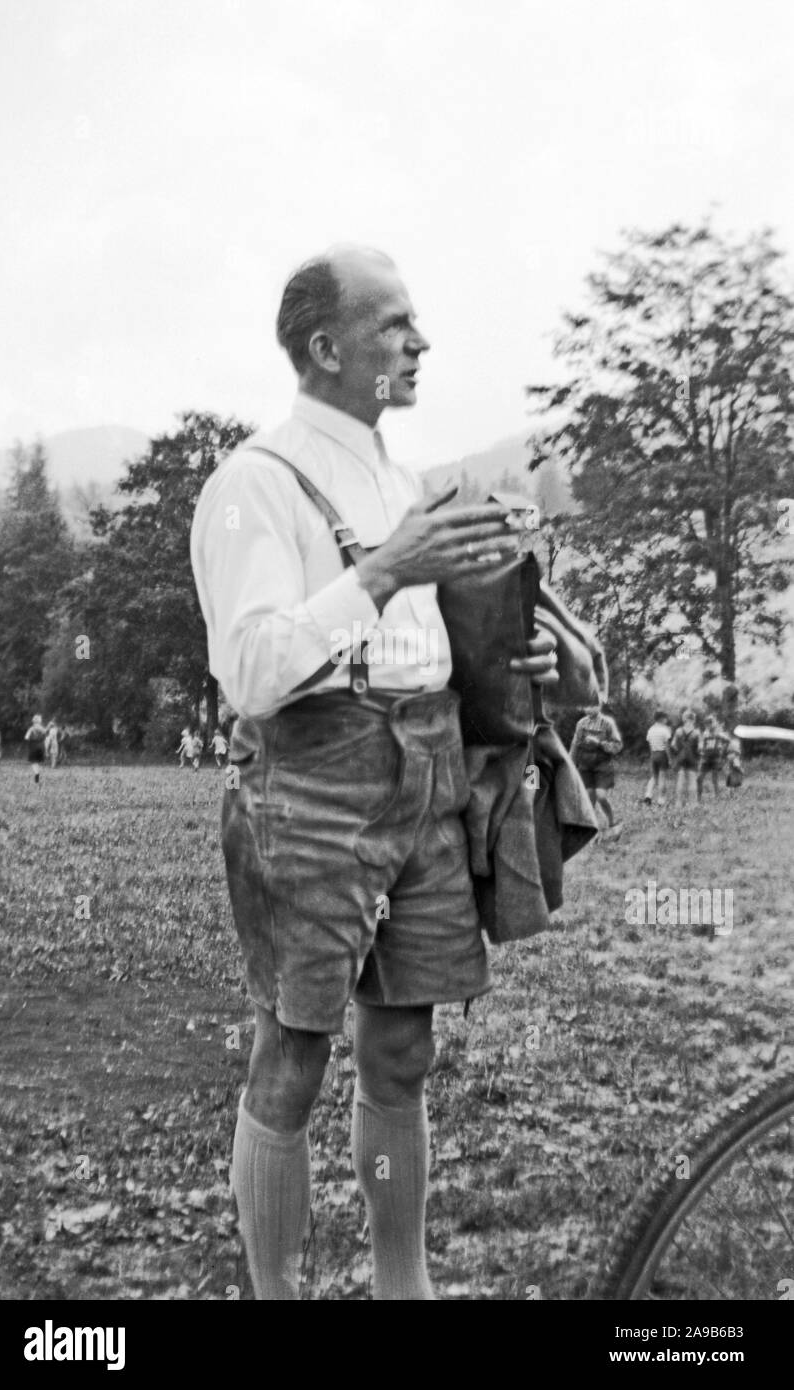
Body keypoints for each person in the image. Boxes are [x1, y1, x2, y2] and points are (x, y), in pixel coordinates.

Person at [190, 244, 583, 1302]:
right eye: (395, 325)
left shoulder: (405, 480)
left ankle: (399, 1292)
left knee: (401, 1049)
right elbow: (253, 669)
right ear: (326, 348)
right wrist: (387, 567)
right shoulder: (252, 484)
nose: (421, 342)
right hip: (311, 777)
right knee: (295, 1050)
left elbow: (433, 642)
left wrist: (518, 658)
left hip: (427, 771)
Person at [569, 701, 624, 839]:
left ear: (599, 707)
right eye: (586, 705)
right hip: (585, 765)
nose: (588, 708)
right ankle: (591, 831)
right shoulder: (581, 723)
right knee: (588, 798)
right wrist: (570, 763)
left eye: (591, 706)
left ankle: (612, 823)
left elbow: (617, 746)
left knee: (601, 796)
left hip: (602, 765)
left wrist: (599, 743)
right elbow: (575, 745)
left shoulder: (607, 723)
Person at [671, 708, 700, 805]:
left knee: (680, 780)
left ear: (684, 719)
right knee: (692, 781)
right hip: (692, 758)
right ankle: (693, 803)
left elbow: (673, 745)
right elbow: (700, 748)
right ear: (694, 719)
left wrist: (680, 751)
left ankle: (678, 803)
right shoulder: (696, 732)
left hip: (681, 757)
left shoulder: (678, 731)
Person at [643, 708, 672, 806]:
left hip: (654, 754)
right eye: (665, 718)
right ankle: (661, 800)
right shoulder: (665, 730)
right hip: (662, 754)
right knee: (662, 777)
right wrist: (670, 758)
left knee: (654, 777)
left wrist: (651, 756)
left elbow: (649, 745)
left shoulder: (650, 730)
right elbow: (667, 745)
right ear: (661, 718)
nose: (666, 720)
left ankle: (648, 795)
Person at [697, 713, 728, 799]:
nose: (707, 725)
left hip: (715, 758)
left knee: (715, 778)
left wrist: (722, 751)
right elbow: (701, 745)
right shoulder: (704, 734)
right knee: (699, 778)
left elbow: (727, 741)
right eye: (706, 723)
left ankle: (717, 795)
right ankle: (698, 797)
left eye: (709, 723)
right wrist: (701, 750)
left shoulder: (718, 733)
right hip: (705, 758)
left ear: (713, 723)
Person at [24, 713, 47, 785]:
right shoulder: (42, 728)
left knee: (34, 762)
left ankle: (37, 776)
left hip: (33, 747)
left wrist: (32, 738)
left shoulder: (31, 728)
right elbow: (45, 735)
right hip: (41, 747)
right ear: (40, 721)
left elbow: (26, 737)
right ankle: (37, 776)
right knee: (37, 762)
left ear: (33, 721)